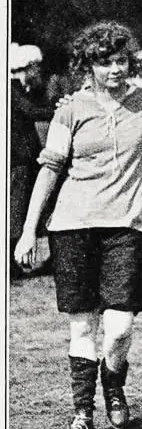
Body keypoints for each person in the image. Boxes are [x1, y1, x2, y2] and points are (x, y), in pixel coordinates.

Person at [14, 22, 142, 429]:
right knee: (83, 326)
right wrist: (28, 231)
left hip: (127, 228)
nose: (114, 69)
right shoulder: (70, 108)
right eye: (104, 61)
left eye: (120, 61)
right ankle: (82, 414)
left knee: (118, 329)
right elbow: (51, 167)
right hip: (72, 227)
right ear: (88, 65)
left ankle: (114, 383)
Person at [9, 43, 53, 278]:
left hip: (21, 158)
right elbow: (33, 112)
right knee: (15, 210)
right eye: (37, 68)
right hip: (17, 159)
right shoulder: (12, 89)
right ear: (29, 67)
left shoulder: (19, 89)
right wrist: (63, 109)